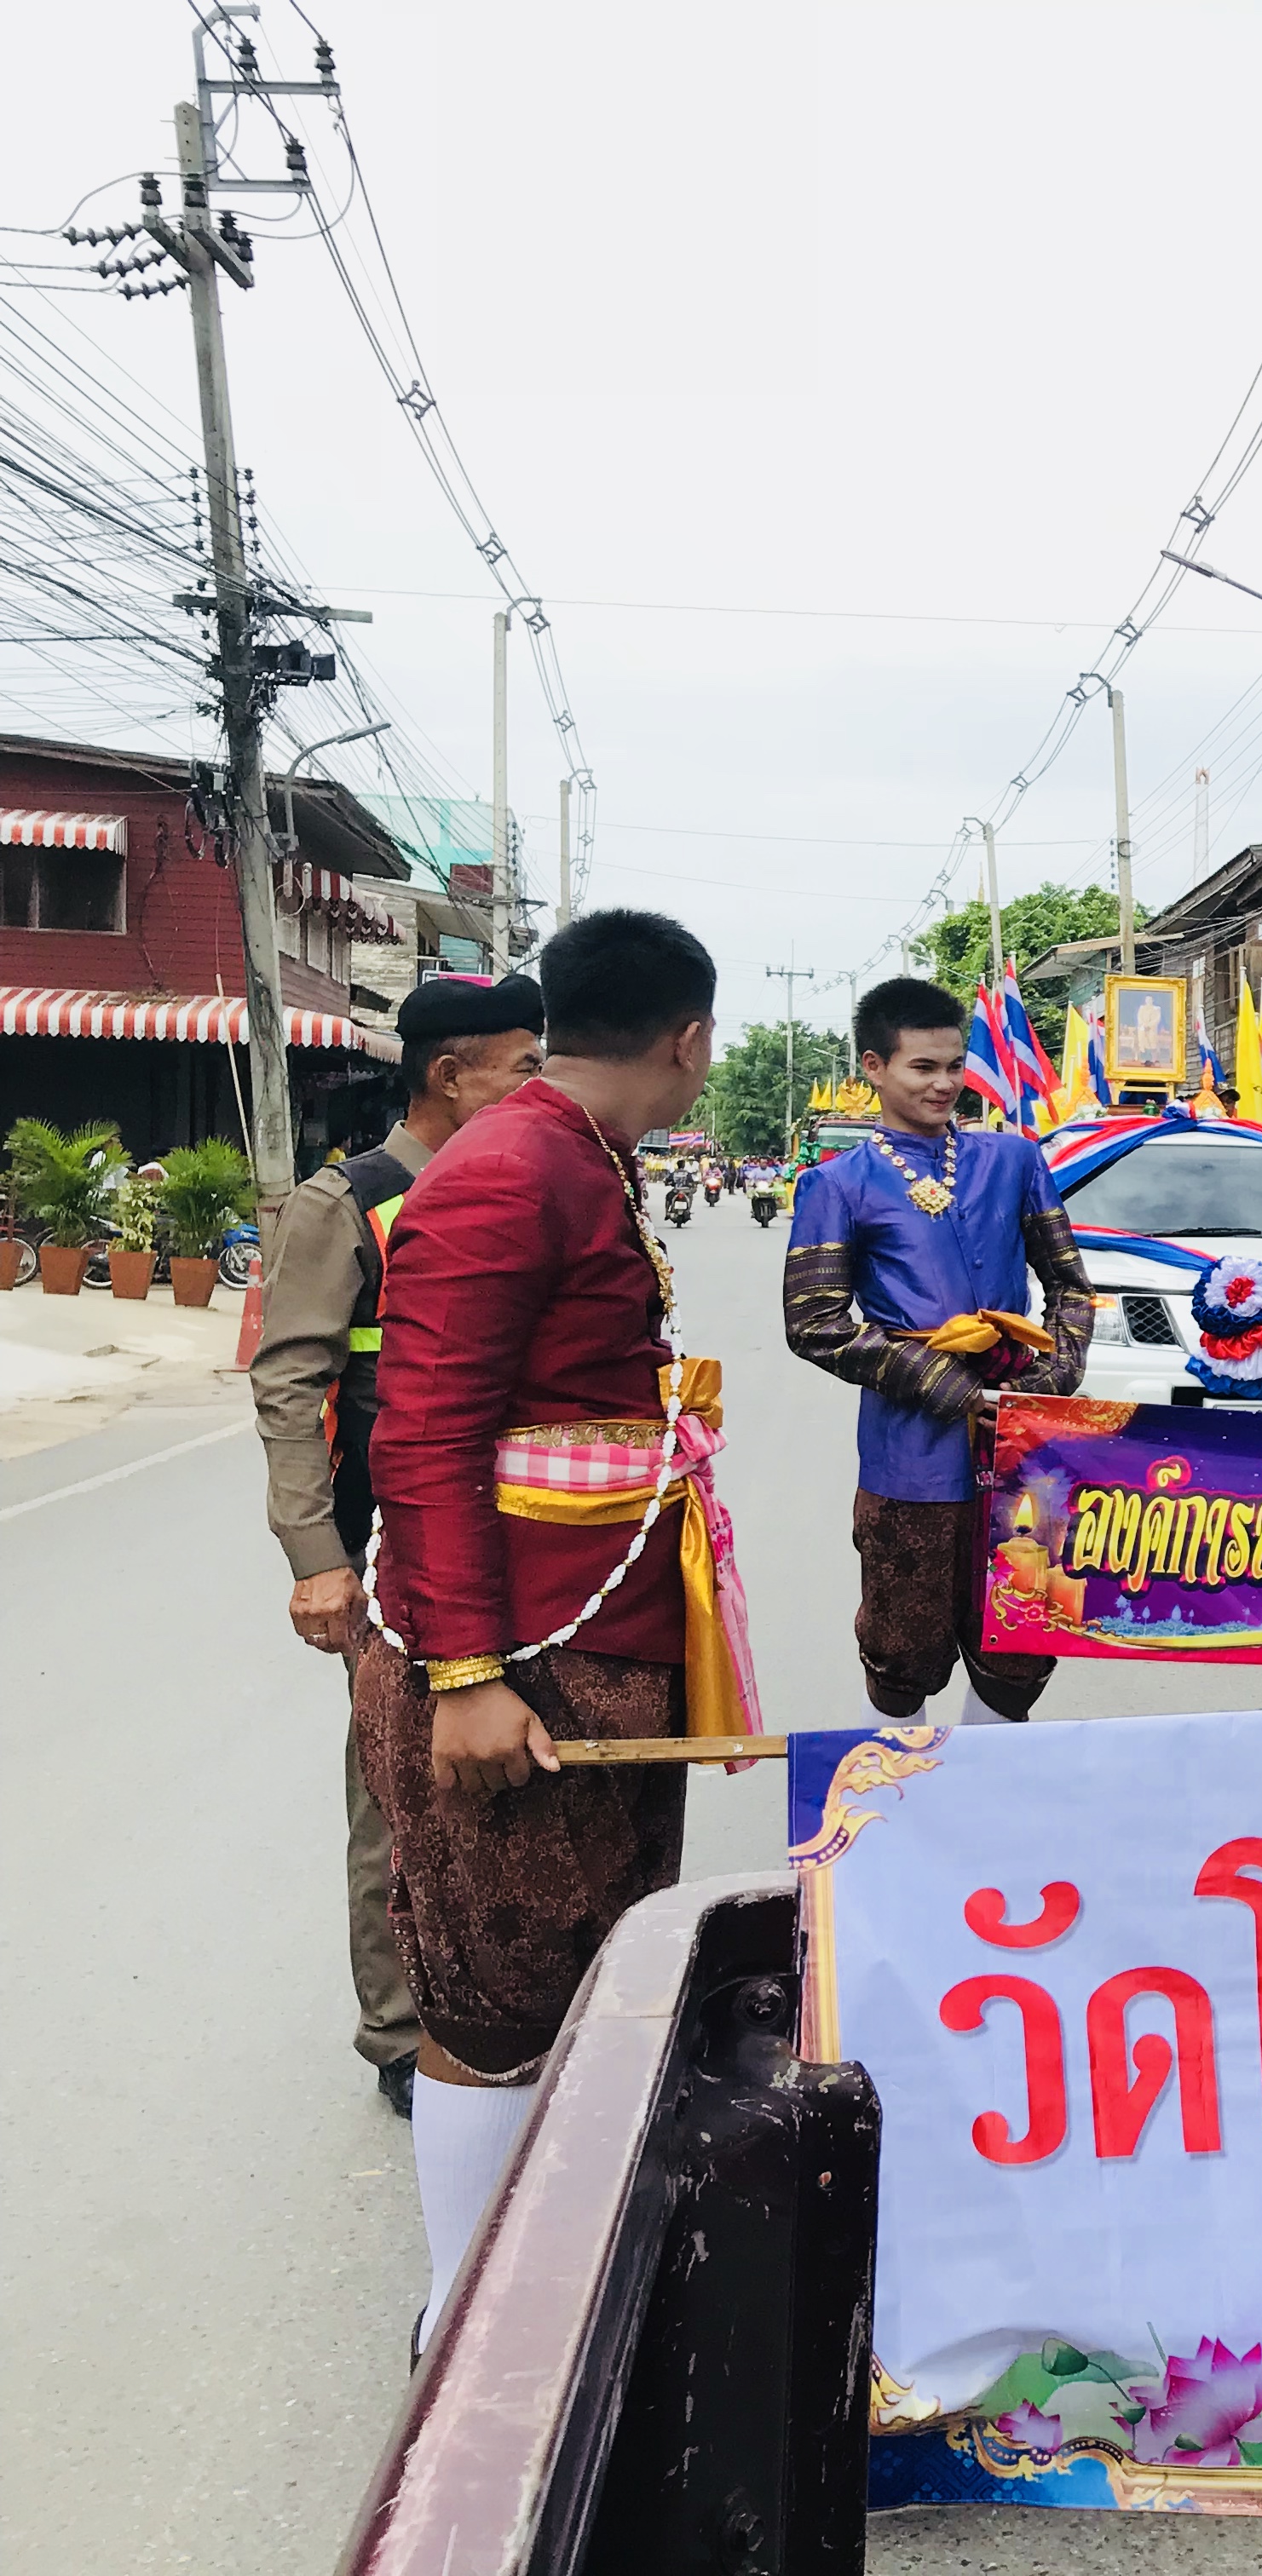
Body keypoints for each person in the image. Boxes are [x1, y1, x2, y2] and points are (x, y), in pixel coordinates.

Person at [355, 908, 757, 2345]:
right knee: (495, 1997)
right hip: (519, 1659)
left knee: (581, 1966)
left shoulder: (575, 1153)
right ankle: (465, 2325)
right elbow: (424, 1433)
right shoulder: (511, 1169)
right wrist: (467, 1676)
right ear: (688, 1039)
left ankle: (546, 2281)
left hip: (589, 1641)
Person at [248, 970, 547, 2119]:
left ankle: (506, 1996)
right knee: (396, 1783)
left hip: (519, 1541)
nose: (542, 1088)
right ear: (450, 1075)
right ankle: (398, 2028)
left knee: (512, 1770)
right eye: (524, 1067)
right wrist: (315, 1554)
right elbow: (290, 1382)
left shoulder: (523, 1189)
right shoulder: (351, 1204)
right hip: (389, 1542)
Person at [784, 977, 1094, 1725]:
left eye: (955, 1066)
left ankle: (988, 1781)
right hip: (908, 1448)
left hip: (1024, 1435)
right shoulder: (835, 1184)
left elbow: (1072, 1288)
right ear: (874, 1067)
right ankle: (903, 1781)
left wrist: (1051, 1377)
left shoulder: (1014, 1160)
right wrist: (949, 1389)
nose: (945, 1084)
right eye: (923, 1067)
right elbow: (814, 1321)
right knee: (903, 1641)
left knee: (1023, 1631)